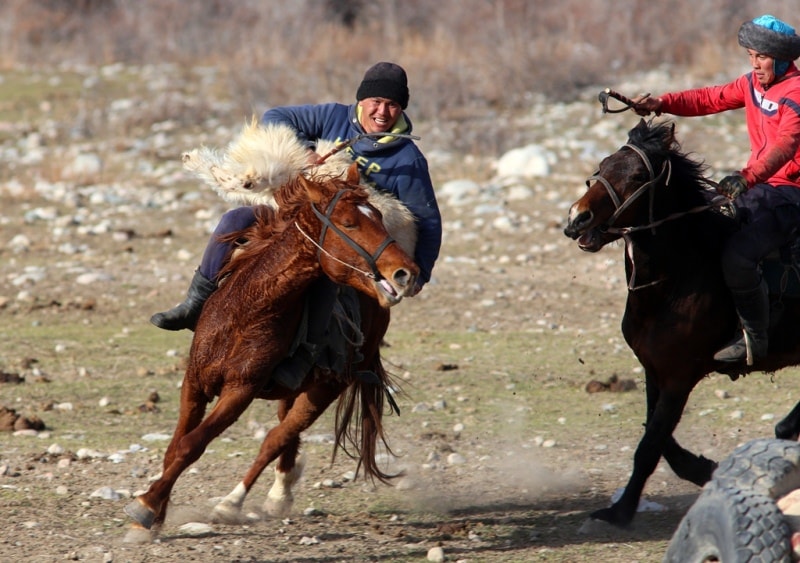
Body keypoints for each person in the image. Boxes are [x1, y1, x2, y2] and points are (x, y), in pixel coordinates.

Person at [150, 62, 442, 382]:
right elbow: (275, 117)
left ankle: (308, 355)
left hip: (343, 236)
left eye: (392, 105)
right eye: (376, 102)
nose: (382, 111)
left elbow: (426, 219)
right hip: (290, 211)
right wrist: (305, 152)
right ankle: (194, 304)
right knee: (234, 219)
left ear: (401, 108)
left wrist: (421, 273)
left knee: (327, 277)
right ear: (361, 101)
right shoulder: (332, 116)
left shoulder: (407, 159)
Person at [632, 14, 800, 364]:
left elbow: (786, 145)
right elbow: (709, 98)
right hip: (760, 186)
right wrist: (661, 103)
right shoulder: (752, 84)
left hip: (788, 194)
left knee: (738, 256)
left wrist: (747, 177)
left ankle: (755, 337)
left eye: (762, 58)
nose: (754, 65)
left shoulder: (796, 92)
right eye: (751, 56)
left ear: (782, 59)